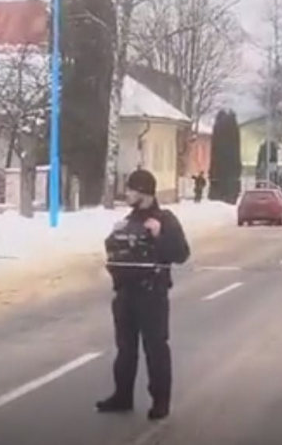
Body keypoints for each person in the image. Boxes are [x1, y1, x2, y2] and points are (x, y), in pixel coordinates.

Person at [97, 169, 190, 421]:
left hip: (152, 295)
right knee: (125, 349)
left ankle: (160, 400)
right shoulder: (127, 222)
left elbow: (181, 254)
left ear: (144, 193)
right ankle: (122, 395)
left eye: (131, 189)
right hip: (125, 295)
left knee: (156, 348)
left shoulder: (165, 219)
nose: (126, 194)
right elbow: (114, 253)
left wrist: (160, 235)